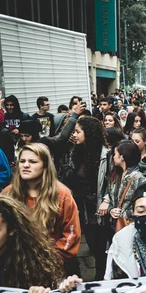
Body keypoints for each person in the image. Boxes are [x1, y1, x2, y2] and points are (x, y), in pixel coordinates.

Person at [2, 143, 81, 274]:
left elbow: (71, 234)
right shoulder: (8, 194)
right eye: (22, 161)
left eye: (32, 161)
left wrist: (47, 260)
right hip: (18, 266)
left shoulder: (62, 194)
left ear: (44, 166)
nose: (26, 165)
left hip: (53, 265)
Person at [62, 116, 110, 281]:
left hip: (98, 209)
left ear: (88, 133)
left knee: (100, 246)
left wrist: (106, 200)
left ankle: (101, 276)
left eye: (78, 131)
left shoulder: (106, 155)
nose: (74, 135)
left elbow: (111, 183)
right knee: (91, 244)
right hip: (82, 207)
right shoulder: (76, 151)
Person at [98, 141, 146, 233]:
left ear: (122, 157)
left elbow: (142, 204)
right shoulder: (116, 174)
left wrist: (126, 213)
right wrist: (110, 209)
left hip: (129, 225)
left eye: (115, 154)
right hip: (114, 224)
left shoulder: (138, 178)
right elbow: (111, 195)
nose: (113, 157)